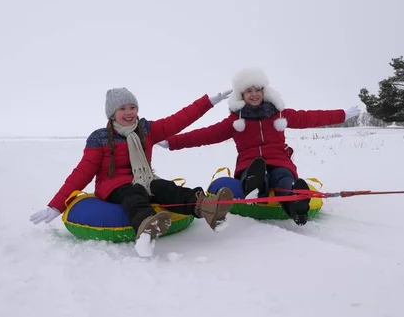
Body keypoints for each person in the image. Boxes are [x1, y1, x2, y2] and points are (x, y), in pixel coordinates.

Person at [29, 87, 235, 256]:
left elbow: (179, 120)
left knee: (166, 187)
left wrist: (208, 102)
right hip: (114, 186)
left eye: (132, 107)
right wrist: (56, 206)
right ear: (112, 114)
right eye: (123, 108)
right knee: (133, 194)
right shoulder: (99, 138)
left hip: (145, 178)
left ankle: (207, 208)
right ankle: (146, 229)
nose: (129, 112)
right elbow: (82, 172)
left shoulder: (146, 130)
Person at [157, 67, 360, 226]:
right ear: (241, 95)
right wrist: (172, 141)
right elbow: (205, 134)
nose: (254, 94)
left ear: (264, 91)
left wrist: (341, 115)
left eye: (257, 90)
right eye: (248, 91)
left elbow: (311, 117)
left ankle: (296, 205)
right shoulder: (235, 121)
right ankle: (253, 187)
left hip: (280, 161)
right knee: (256, 171)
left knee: (284, 179)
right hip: (250, 164)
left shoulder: (280, 115)